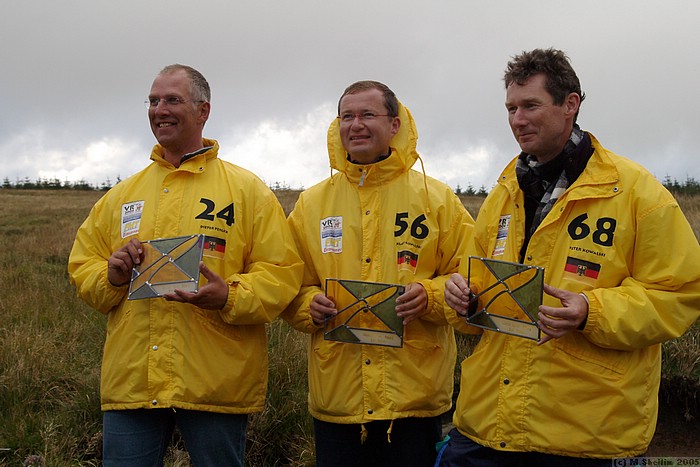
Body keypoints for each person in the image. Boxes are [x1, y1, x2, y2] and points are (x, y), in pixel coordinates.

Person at [439, 48, 700, 465]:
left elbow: (680, 292)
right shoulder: (504, 192)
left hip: (585, 436)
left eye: (530, 105)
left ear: (570, 105)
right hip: (486, 427)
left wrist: (590, 311)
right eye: (510, 108)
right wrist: (463, 300)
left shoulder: (636, 192)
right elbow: (473, 283)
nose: (517, 120)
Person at [68, 64, 303, 466]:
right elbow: (83, 265)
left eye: (172, 100)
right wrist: (111, 274)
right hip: (133, 382)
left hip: (215, 382)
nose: (159, 109)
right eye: (153, 100)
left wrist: (229, 295)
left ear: (203, 111)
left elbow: (281, 273)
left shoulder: (247, 191)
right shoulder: (121, 195)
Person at [281, 80, 475, 467]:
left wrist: (430, 295)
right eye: (346, 117)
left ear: (396, 124)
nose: (356, 125)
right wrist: (308, 305)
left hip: (413, 397)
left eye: (368, 114)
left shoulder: (436, 199)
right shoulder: (312, 203)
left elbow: (469, 277)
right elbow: (288, 280)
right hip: (338, 395)